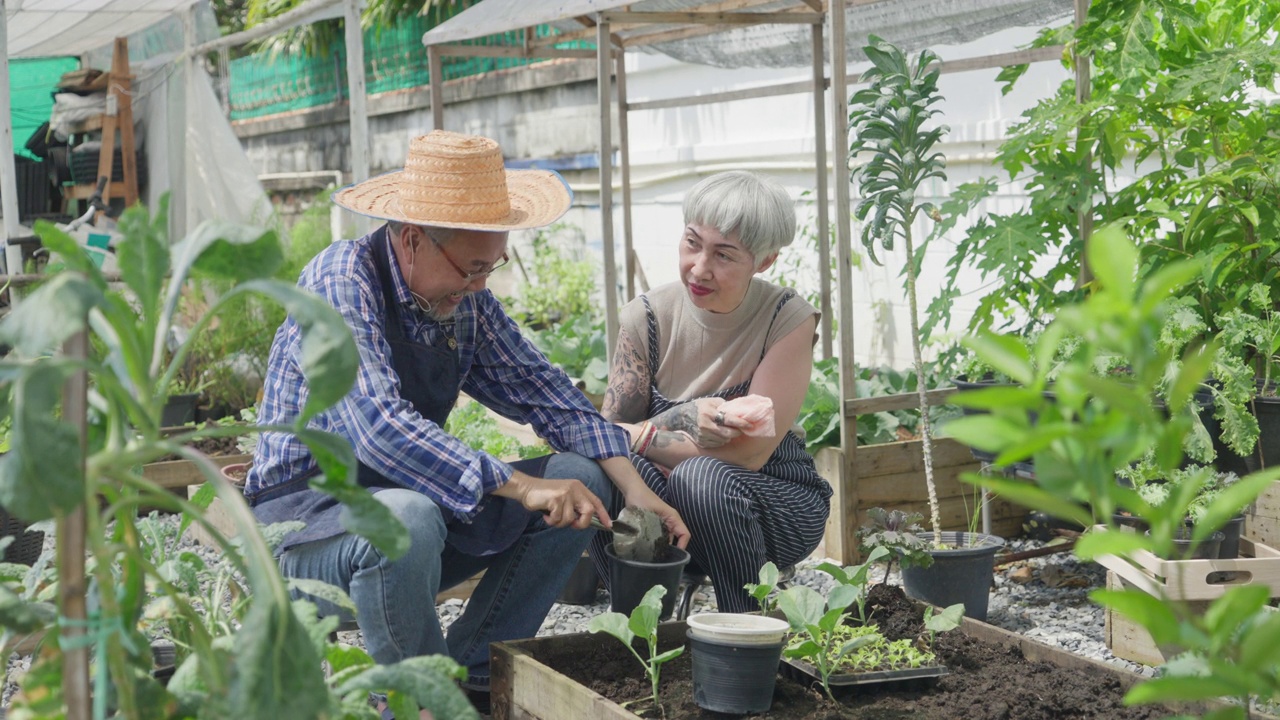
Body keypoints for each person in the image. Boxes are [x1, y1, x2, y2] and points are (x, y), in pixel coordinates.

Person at [244, 130, 689, 713]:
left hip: (408, 516)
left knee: (582, 475)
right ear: (411, 240)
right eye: (472, 268)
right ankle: (421, 700)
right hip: (302, 532)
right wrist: (525, 486)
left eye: (493, 266)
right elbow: (378, 426)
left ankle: (481, 677)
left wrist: (634, 491)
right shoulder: (340, 280)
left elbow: (548, 396)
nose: (481, 286)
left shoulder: (463, 300)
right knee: (408, 517)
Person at [593, 170, 831, 613]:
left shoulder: (786, 317)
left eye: (724, 255)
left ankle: (744, 631)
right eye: (691, 243)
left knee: (698, 477)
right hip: (665, 505)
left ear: (764, 262)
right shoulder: (645, 318)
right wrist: (662, 430)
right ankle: (640, 634)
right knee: (599, 473)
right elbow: (604, 439)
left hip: (771, 499)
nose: (699, 268)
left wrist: (642, 438)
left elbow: (749, 454)